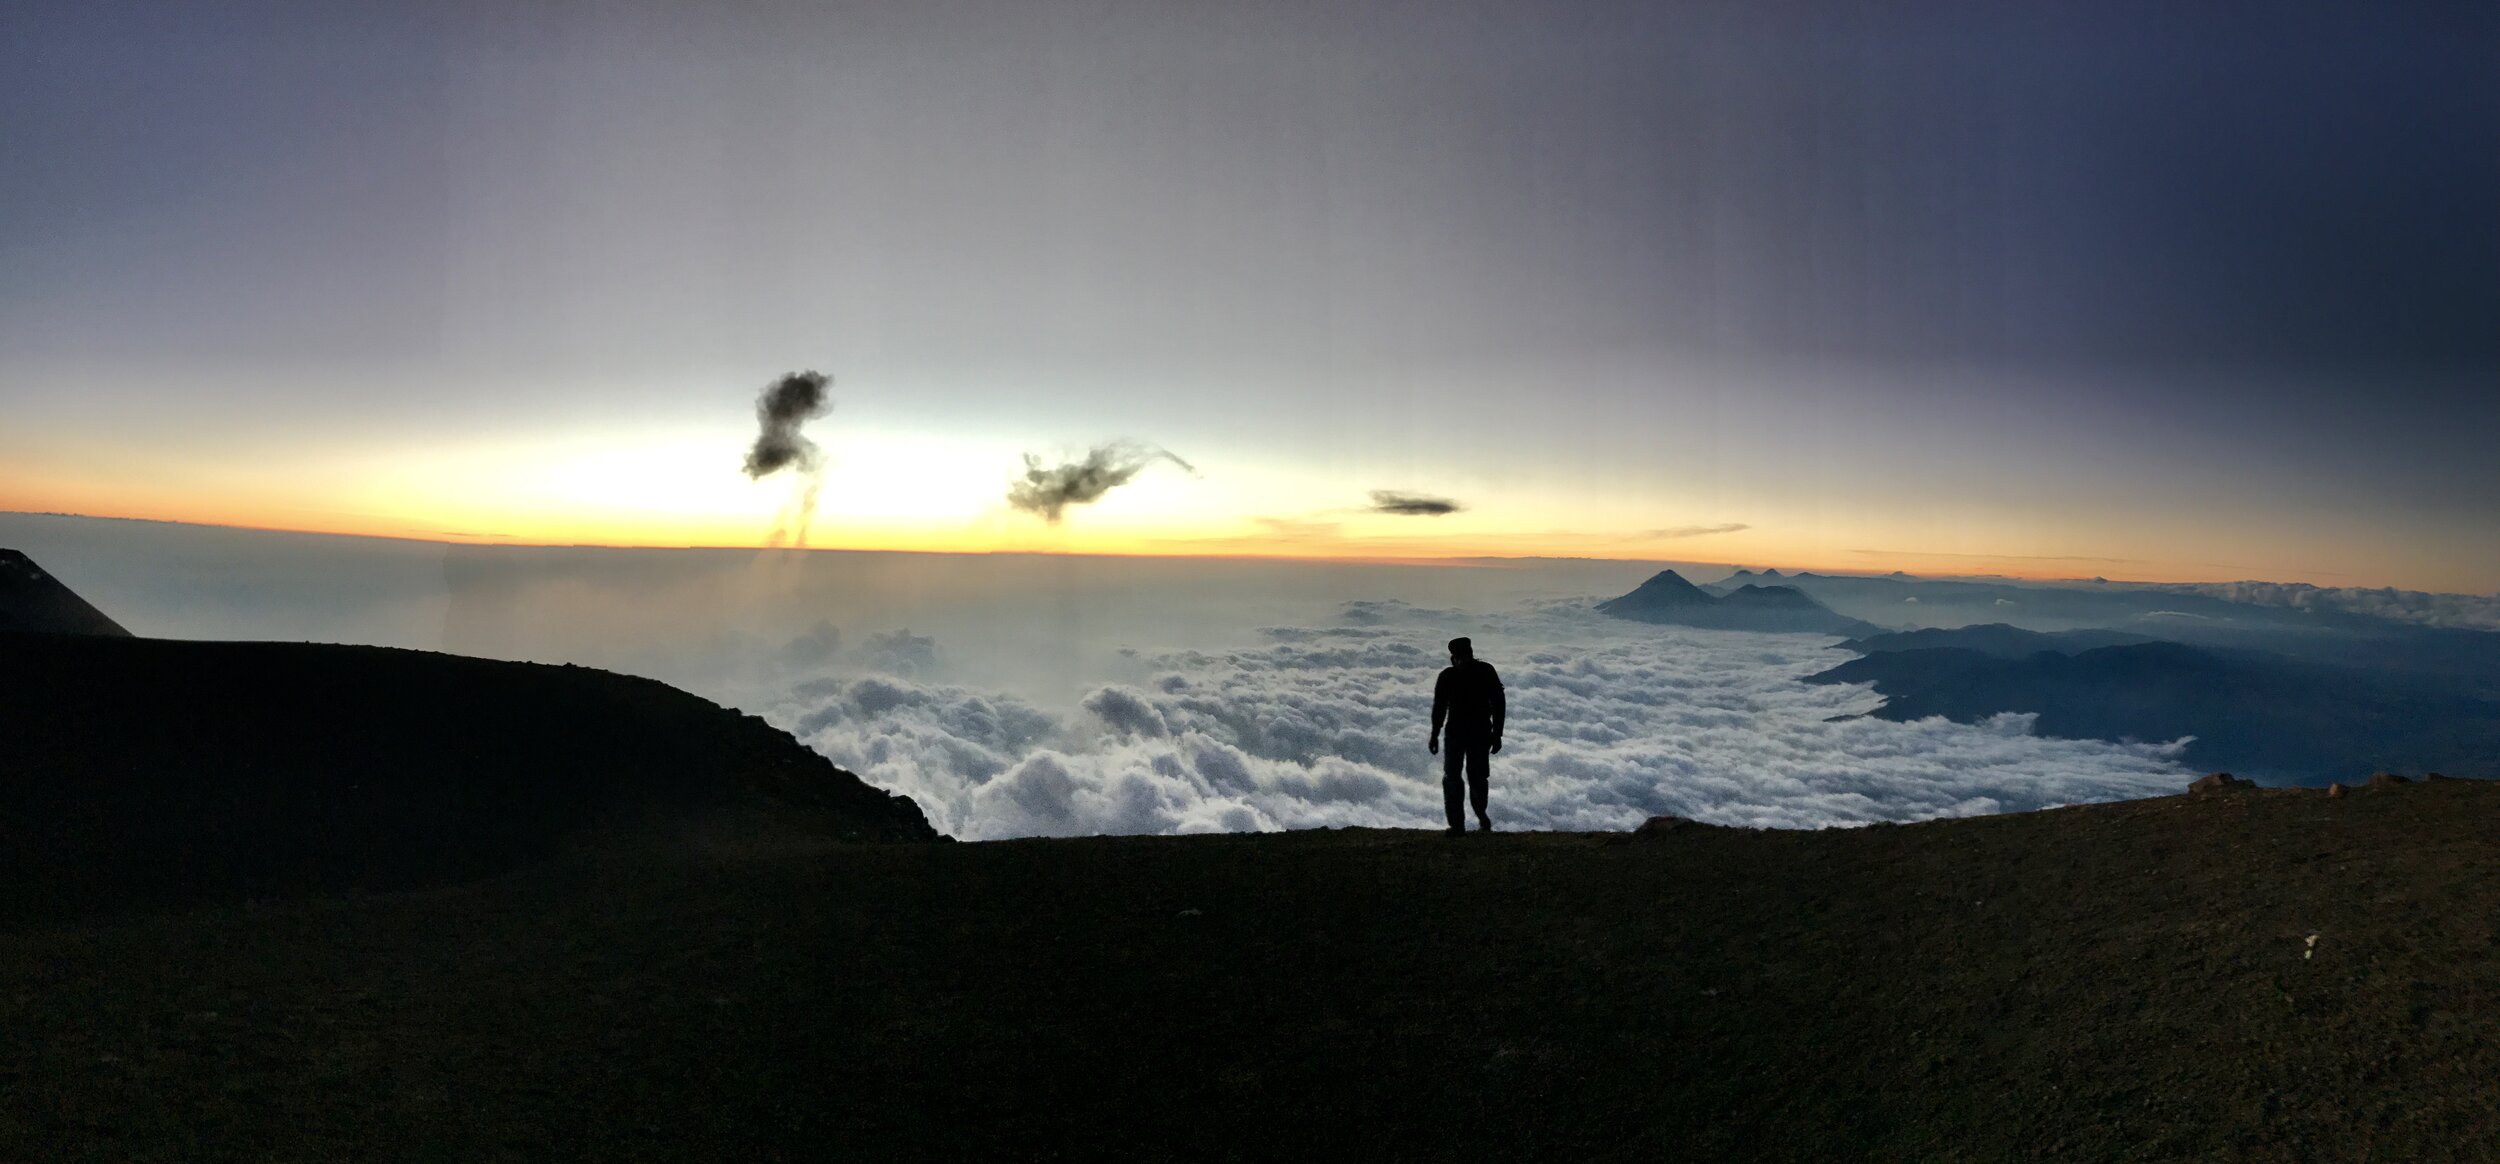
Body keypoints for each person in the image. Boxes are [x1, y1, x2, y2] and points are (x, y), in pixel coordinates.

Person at [1428, 636, 1504, 834]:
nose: (1460, 661)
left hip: (1474, 733)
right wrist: (1435, 734)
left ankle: (1478, 818)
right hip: (1461, 733)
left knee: (1474, 777)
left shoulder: (1481, 672)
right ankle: (1460, 823)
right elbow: (1440, 708)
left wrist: (1497, 734)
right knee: (1455, 777)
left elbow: (1498, 703)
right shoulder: (1452, 676)